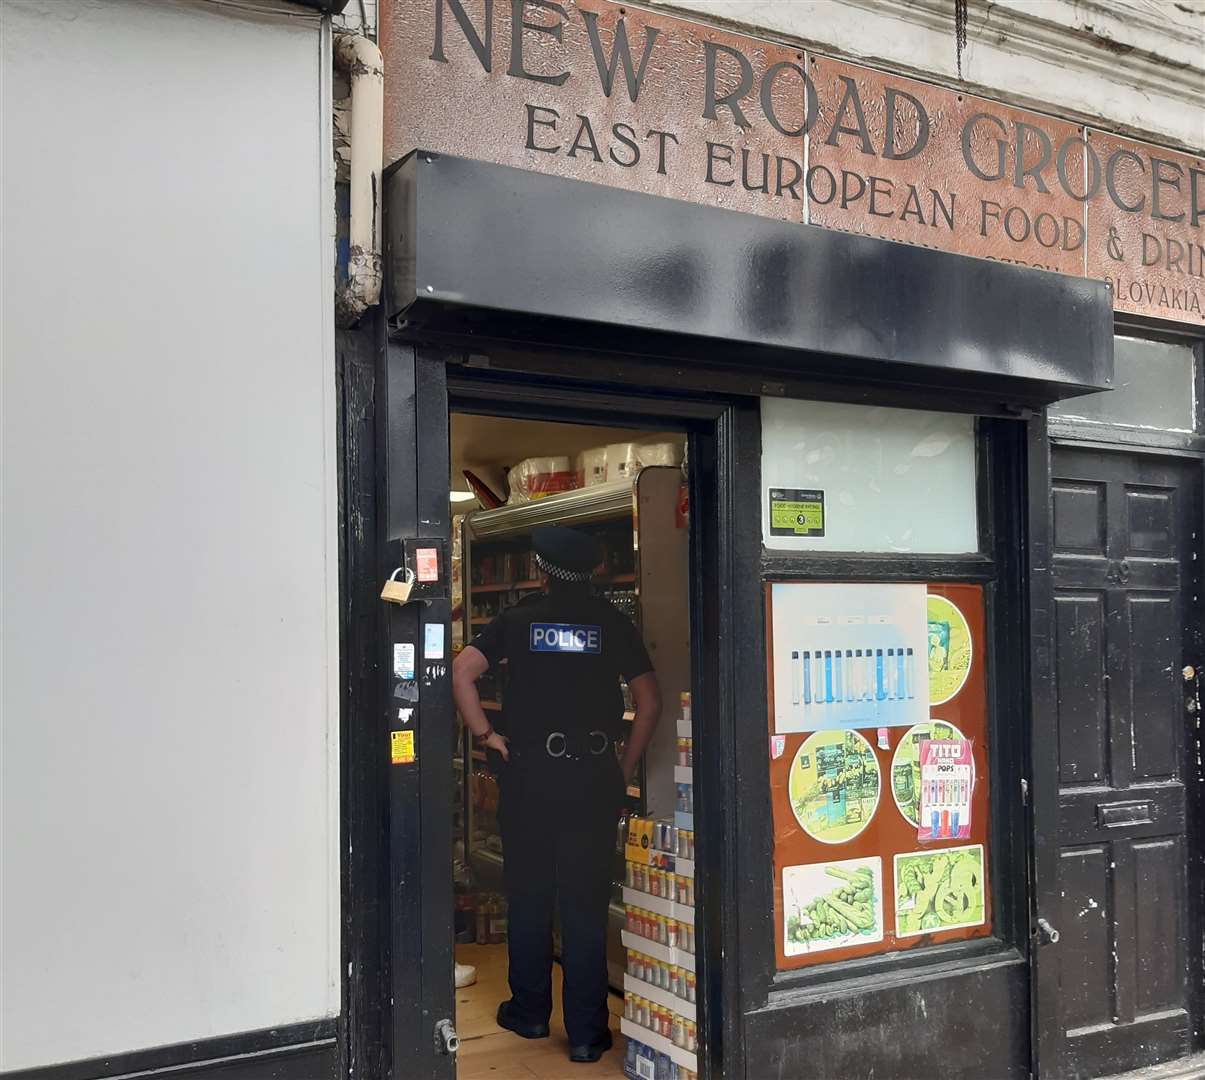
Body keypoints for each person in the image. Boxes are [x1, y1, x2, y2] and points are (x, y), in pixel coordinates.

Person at [452, 525, 662, 1064]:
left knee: (529, 894)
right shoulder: (612, 624)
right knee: (585, 903)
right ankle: (589, 1034)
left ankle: (528, 1013)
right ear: (592, 572)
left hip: (530, 775)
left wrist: (486, 735)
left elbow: (462, 673)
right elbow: (649, 701)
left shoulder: (519, 620)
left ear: (543, 571)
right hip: (592, 778)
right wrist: (623, 764)